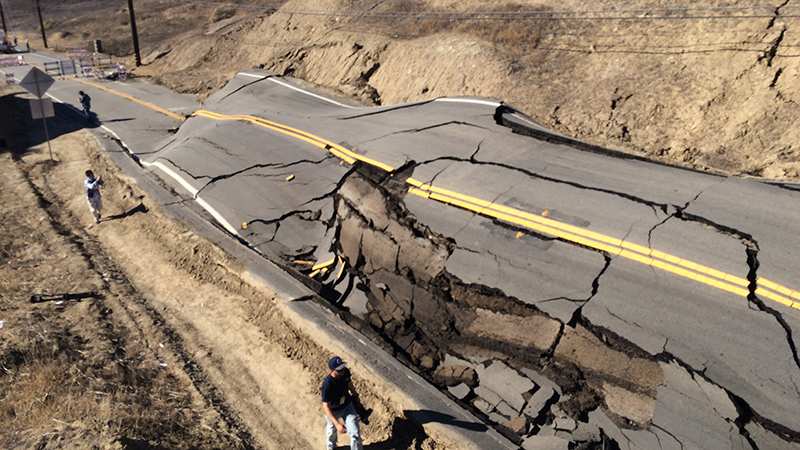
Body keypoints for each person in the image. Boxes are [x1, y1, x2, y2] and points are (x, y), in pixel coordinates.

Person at [321, 356, 363, 450]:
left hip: (347, 406)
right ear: (332, 371)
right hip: (333, 410)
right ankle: (331, 447)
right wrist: (337, 424)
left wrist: (355, 395)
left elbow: (349, 384)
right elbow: (326, 406)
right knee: (332, 431)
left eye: (342, 368)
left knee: (355, 433)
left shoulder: (345, 373)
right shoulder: (328, 384)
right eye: (339, 370)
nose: (342, 371)